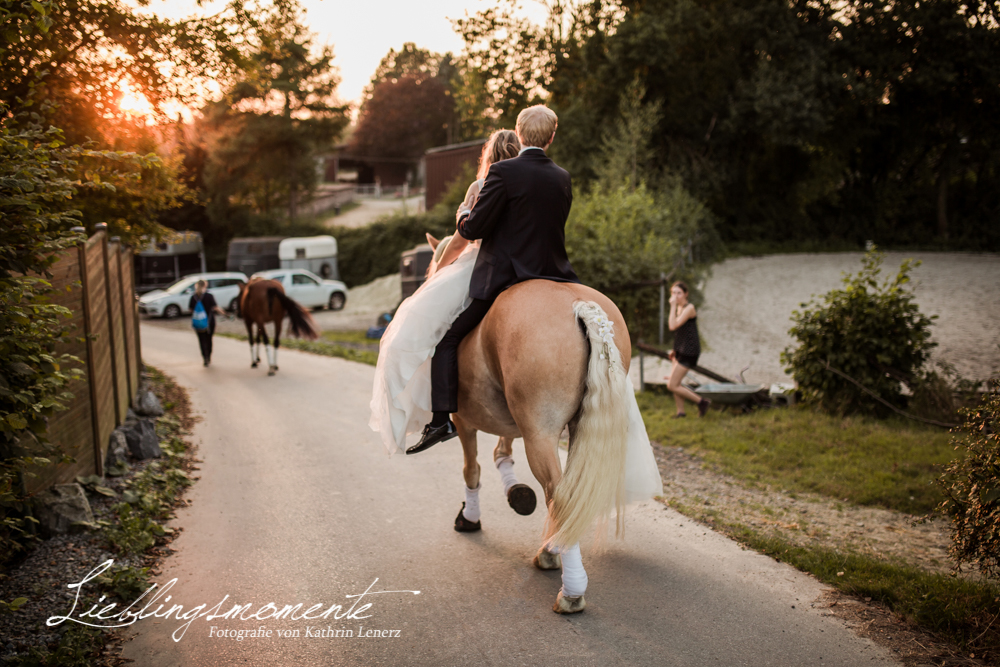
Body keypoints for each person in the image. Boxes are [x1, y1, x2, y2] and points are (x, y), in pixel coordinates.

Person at [407, 105, 581, 454]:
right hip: (554, 275)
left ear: (520, 134)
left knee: (447, 342)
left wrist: (463, 214)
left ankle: (441, 420)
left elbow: (473, 230)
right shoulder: (562, 176)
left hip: (504, 277)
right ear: (551, 136)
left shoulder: (502, 173)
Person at [369, 129, 522, 454]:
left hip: (478, 270)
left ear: (489, 156)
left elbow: (460, 240)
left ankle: (442, 418)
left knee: (440, 338)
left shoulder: (481, 187)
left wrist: (437, 274)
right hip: (522, 270)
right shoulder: (528, 188)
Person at [666, 281, 711, 418]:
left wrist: (672, 306)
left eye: (679, 293)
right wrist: (675, 349)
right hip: (680, 349)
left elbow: (673, 326)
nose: (676, 296)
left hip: (689, 351)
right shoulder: (679, 308)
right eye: (673, 293)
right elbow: (679, 332)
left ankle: (702, 402)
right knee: (676, 382)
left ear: (686, 294)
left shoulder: (689, 308)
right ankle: (681, 412)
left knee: (672, 385)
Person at [189, 279, 227, 367]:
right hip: (209, 322)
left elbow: (190, 310)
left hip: (198, 323)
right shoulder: (209, 296)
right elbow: (216, 307)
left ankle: (204, 357)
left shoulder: (193, 297)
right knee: (209, 339)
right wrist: (225, 314)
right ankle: (208, 356)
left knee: (201, 340)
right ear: (205, 285)